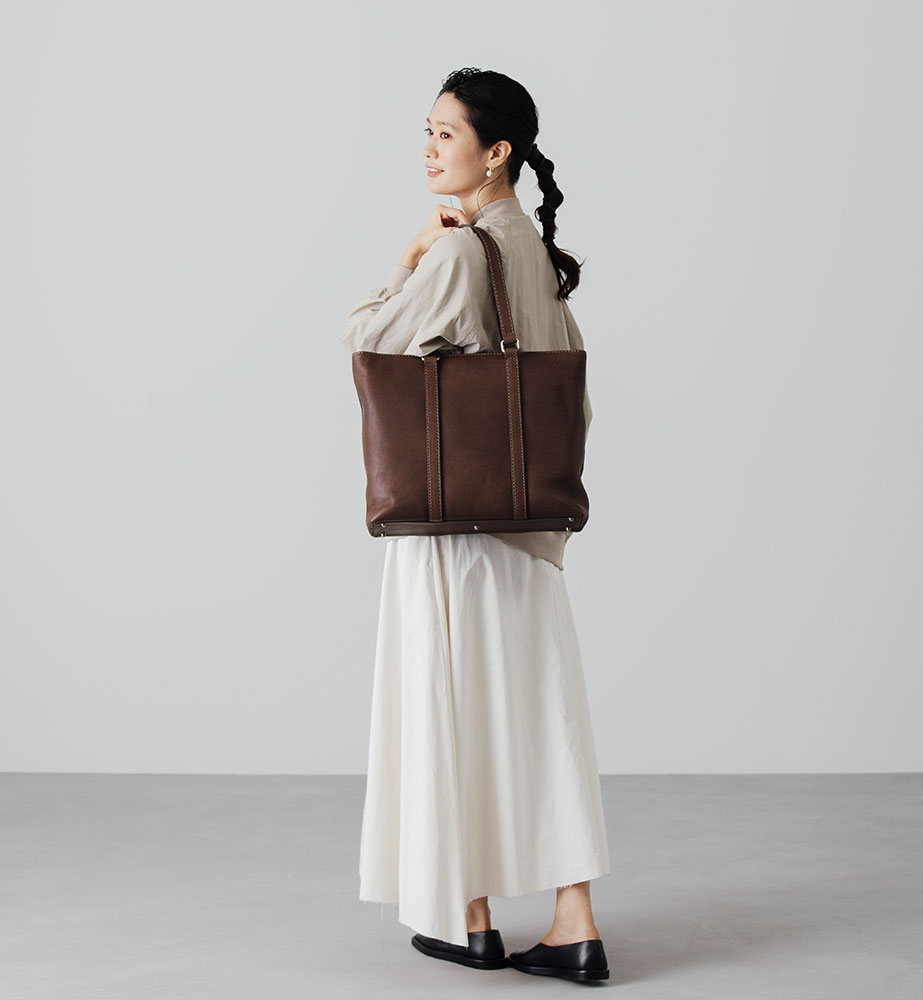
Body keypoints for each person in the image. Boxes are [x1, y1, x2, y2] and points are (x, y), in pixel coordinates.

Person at [340, 68, 612, 983]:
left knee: (449, 716)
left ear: (497, 154)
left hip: (454, 529)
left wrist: (409, 256)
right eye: (427, 131)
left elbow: (365, 344)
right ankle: (572, 922)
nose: (428, 148)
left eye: (445, 134)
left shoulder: (460, 254)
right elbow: (571, 394)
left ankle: (470, 915)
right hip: (526, 530)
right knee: (538, 721)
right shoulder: (534, 252)